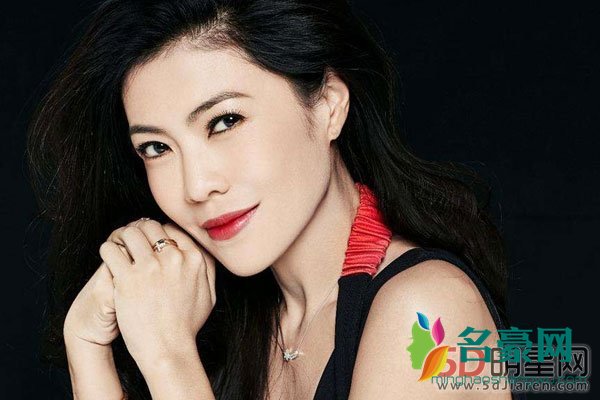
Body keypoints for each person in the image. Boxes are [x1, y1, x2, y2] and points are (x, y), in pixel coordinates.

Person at [26, 0, 525, 399]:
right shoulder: (234, 314)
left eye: (225, 122)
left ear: (328, 104)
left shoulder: (427, 312)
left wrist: (169, 359)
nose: (196, 186)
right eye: (156, 148)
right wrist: (87, 348)